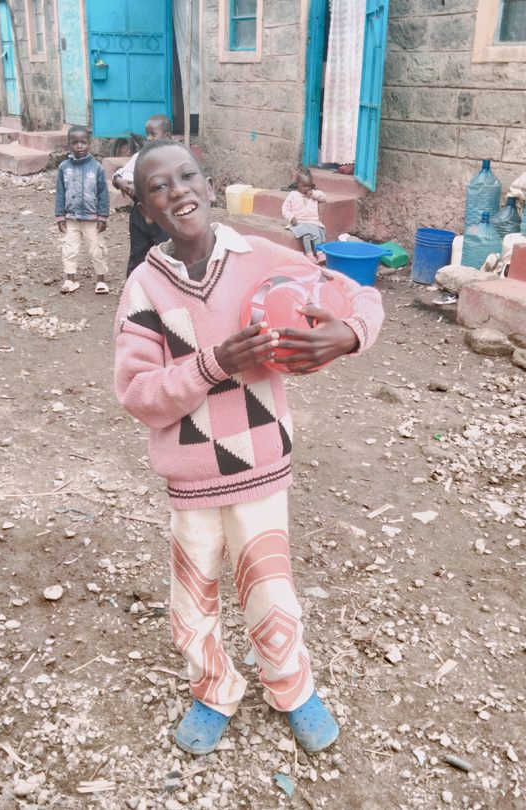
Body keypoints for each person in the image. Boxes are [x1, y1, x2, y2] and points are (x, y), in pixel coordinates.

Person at [113, 140, 383, 756]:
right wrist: (214, 363)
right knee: (193, 594)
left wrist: (348, 335)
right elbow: (138, 394)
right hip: (191, 477)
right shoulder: (144, 289)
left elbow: (361, 295)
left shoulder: (261, 257)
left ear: (209, 187)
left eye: (188, 176)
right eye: (158, 187)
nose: (177, 191)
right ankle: (213, 690)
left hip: (261, 465)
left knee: (270, 586)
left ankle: (292, 686)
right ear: (146, 211)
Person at [110, 114, 173, 276]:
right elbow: (120, 174)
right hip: (140, 214)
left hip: (163, 216)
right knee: (138, 255)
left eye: (153, 134)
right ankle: (134, 286)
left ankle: (164, 285)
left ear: (167, 136)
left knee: (166, 254)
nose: (149, 138)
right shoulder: (140, 156)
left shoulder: (174, 158)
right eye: (147, 134)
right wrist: (120, 181)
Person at [54, 125, 110, 294]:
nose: (79, 146)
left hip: (92, 218)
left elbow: (103, 193)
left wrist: (103, 217)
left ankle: (101, 280)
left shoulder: (97, 167)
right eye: (75, 143)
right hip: (71, 218)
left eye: (83, 142)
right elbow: (60, 192)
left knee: (97, 249)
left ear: (89, 143)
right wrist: (60, 216)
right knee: (69, 249)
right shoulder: (64, 167)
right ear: (69, 144)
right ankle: (70, 280)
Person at [281, 168, 327, 261]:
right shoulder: (293, 195)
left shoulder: (313, 194)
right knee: (306, 236)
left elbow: (324, 198)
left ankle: (320, 253)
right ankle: (309, 255)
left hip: (312, 221)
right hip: (299, 222)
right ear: (297, 184)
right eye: (304, 186)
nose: (307, 188)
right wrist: (291, 218)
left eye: (309, 186)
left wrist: (313, 194)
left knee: (317, 235)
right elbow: (285, 208)